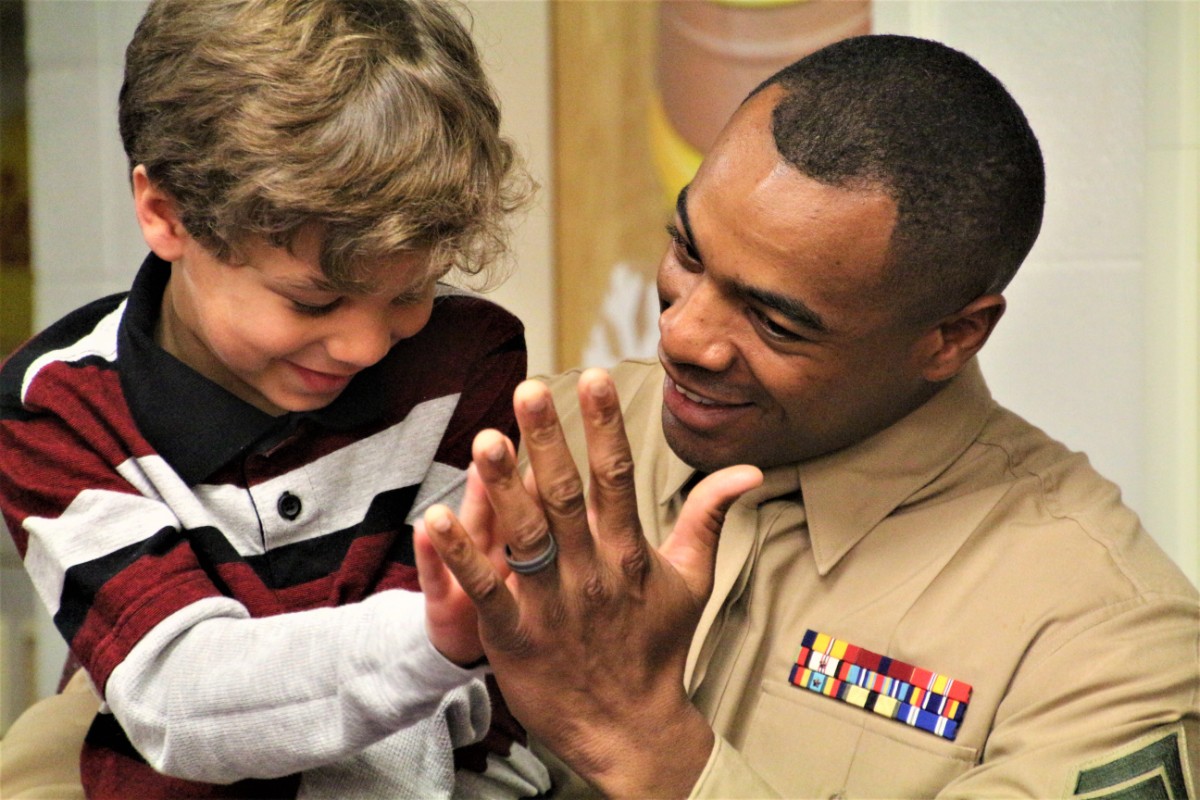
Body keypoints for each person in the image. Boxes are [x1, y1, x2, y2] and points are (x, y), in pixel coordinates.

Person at [421, 34, 1200, 798]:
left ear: (951, 337)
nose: (682, 335)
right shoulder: (532, 449)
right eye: (688, 252)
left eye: (775, 321)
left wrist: (646, 745)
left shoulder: (1104, 641)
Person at [0, 0, 550, 797]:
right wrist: (432, 642)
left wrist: (443, 650)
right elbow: (181, 698)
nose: (365, 347)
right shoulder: (57, 407)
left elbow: (440, 718)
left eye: (412, 291)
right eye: (313, 302)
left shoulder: (468, 361)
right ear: (166, 214)